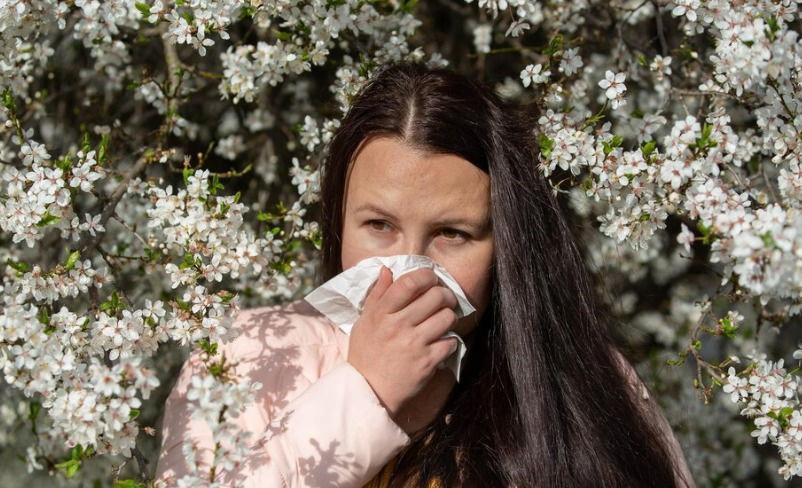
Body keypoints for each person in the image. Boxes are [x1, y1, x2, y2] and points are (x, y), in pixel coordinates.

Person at [156, 63, 693, 487]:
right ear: (339, 223)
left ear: (507, 245)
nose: (409, 271)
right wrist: (364, 395)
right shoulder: (246, 356)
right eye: (379, 226)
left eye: (451, 234)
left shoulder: (583, 380)